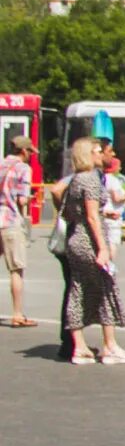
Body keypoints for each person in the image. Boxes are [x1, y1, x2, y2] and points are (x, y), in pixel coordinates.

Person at [58, 138, 125, 365]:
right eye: (98, 151)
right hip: (88, 240)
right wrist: (102, 247)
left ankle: (79, 346)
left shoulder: (76, 179)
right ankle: (110, 347)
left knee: (78, 289)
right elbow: (91, 216)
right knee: (106, 288)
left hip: (75, 239)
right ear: (88, 154)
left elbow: (66, 211)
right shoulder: (90, 180)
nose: (102, 154)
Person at [2, 135, 35, 328]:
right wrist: (29, 198)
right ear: (23, 151)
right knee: (16, 269)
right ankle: (17, 314)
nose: (30, 155)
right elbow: (22, 200)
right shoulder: (23, 169)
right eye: (30, 151)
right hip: (10, 221)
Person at [98, 148, 125, 260]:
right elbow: (116, 198)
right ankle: (109, 262)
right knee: (112, 242)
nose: (120, 168)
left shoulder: (102, 178)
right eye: (118, 166)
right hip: (113, 215)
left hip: (103, 213)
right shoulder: (113, 180)